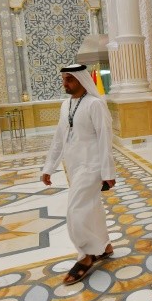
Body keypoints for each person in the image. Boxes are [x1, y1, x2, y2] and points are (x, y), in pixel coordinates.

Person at [41, 63, 116, 285]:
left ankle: (85, 256)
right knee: (92, 208)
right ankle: (104, 246)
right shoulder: (65, 105)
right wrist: (48, 167)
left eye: (69, 80)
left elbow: (105, 138)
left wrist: (108, 171)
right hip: (74, 167)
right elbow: (59, 138)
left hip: (92, 166)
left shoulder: (95, 105)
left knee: (76, 210)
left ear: (81, 80)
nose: (65, 84)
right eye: (63, 79)